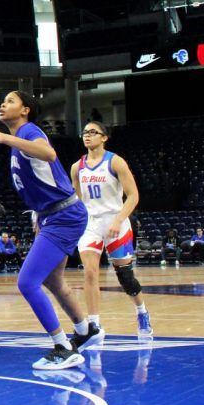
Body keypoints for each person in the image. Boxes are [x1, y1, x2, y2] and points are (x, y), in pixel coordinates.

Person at [0, 91, 89, 371]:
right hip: (52, 215)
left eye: (10, 101)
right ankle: (86, 330)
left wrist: (2, 137)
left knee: (27, 282)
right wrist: (38, 215)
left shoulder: (28, 131)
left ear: (25, 110)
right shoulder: (20, 139)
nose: (3, 104)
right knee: (53, 280)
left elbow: (49, 154)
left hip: (64, 216)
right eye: (3, 101)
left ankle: (63, 347)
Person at [71, 121, 152, 346]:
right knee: (90, 272)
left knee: (125, 277)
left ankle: (141, 311)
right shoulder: (77, 167)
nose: (87, 136)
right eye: (84, 132)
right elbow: (77, 200)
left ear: (104, 137)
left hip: (116, 220)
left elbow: (133, 196)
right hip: (91, 223)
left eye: (92, 132)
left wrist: (118, 220)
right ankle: (94, 325)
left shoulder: (115, 161)